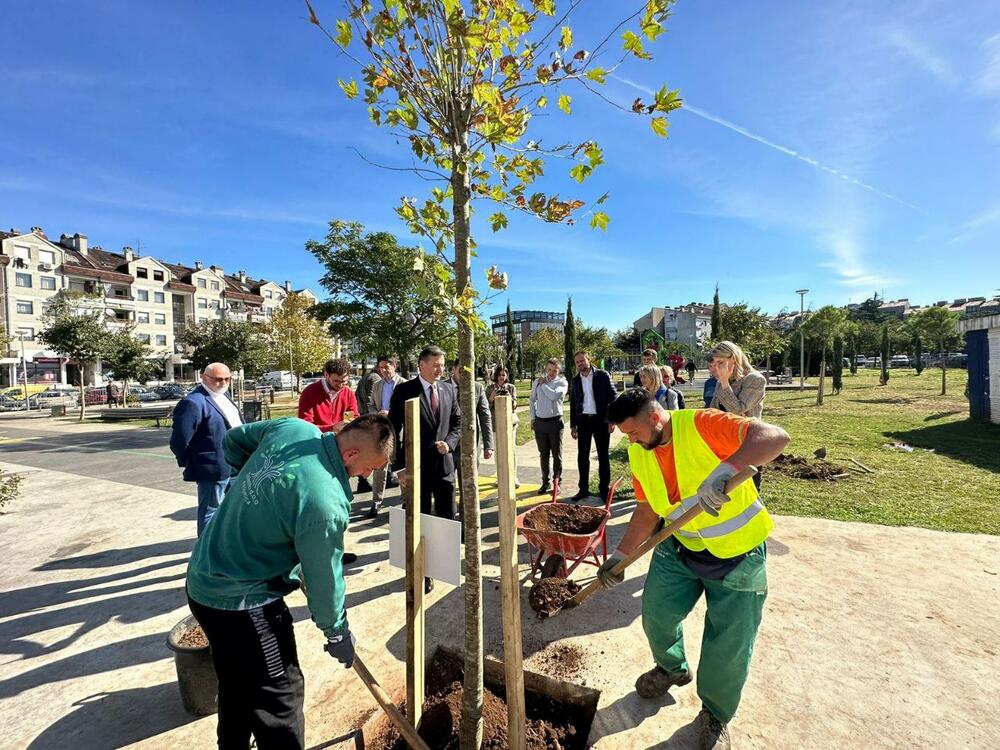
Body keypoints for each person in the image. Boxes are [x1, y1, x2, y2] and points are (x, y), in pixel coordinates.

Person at [186, 414, 394, 750]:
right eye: (369, 468)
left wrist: (259, 495)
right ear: (351, 455)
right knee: (280, 693)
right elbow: (324, 576)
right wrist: (336, 630)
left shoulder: (294, 430)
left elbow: (232, 443)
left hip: (202, 580)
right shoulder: (325, 501)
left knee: (237, 680)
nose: (367, 476)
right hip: (244, 603)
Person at [598, 389, 789, 750]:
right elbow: (646, 510)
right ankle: (671, 668)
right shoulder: (641, 453)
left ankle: (715, 714)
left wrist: (726, 470)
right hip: (679, 545)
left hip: (738, 552)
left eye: (634, 432)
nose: (632, 441)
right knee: (657, 613)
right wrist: (621, 556)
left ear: (655, 418)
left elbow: (775, 436)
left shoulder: (701, 424)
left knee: (728, 642)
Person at [388, 345, 460, 593]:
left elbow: (457, 424)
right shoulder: (405, 391)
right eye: (436, 365)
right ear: (422, 365)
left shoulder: (450, 389)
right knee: (419, 519)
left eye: (442, 365)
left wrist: (449, 444)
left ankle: (445, 565)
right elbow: (392, 430)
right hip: (416, 468)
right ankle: (423, 570)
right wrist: (398, 468)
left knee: (447, 516)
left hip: (444, 467)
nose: (441, 369)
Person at [170, 362, 243, 536]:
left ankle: (224, 545)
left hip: (235, 464)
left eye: (227, 379)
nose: (223, 383)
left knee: (230, 510)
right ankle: (205, 553)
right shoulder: (193, 402)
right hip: (212, 469)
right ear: (204, 378)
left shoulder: (225, 396)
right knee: (211, 511)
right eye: (218, 379)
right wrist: (195, 462)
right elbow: (179, 440)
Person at [569, 350, 617, 501]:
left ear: (588, 359)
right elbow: (573, 403)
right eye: (577, 362)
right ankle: (583, 489)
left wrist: (612, 419)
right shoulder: (575, 380)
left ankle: (604, 490)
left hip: (601, 421)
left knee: (603, 456)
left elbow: (613, 396)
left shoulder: (602, 375)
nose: (580, 364)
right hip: (583, 421)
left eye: (582, 360)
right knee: (582, 457)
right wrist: (573, 425)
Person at [366, 355, 404, 518]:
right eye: (381, 367)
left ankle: (405, 500)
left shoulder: (404, 384)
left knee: (402, 466)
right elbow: (371, 405)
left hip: (400, 430)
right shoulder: (377, 385)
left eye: (387, 367)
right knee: (380, 467)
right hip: (382, 430)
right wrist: (378, 414)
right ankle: (376, 501)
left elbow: (410, 405)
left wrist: (391, 413)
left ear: (394, 366)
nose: (384, 370)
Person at [449, 360, 495, 486]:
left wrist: (488, 445)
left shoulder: (477, 388)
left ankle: (465, 506)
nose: (464, 374)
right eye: (460, 370)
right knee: (447, 486)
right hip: (447, 445)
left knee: (469, 486)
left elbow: (485, 416)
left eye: (467, 371)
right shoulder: (441, 387)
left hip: (471, 444)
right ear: (454, 369)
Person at [529, 358, 568, 496]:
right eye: (549, 369)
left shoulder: (562, 382)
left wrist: (544, 385)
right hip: (540, 423)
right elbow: (532, 400)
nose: (551, 373)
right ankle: (545, 482)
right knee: (543, 455)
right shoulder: (537, 382)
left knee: (557, 455)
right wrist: (532, 418)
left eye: (555, 370)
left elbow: (554, 396)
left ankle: (557, 483)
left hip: (555, 423)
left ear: (559, 370)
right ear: (546, 368)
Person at [708, 341, 767, 419]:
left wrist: (725, 384)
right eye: (715, 364)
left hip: (747, 430)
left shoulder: (755, 379)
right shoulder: (722, 381)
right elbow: (712, 411)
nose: (717, 367)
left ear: (734, 359)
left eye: (720, 362)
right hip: (723, 430)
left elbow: (737, 411)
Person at [298, 357, 359, 433]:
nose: (340, 385)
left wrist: (350, 424)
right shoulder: (310, 392)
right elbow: (305, 426)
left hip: (341, 440)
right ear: (326, 375)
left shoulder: (348, 393)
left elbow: (352, 417)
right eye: (336, 381)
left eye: (344, 382)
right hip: (317, 440)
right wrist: (331, 429)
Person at [485, 366, 519, 487]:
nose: (501, 377)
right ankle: (500, 477)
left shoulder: (511, 388)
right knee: (498, 451)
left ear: (507, 376)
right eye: (499, 375)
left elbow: (515, 405)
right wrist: (491, 398)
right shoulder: (489, 388)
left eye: (504, 375)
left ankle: (514, 477)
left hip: (510, 424)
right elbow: (485, 408)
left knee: (512, 450)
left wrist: (510, 399)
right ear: (496, 376)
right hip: (495, 424)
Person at [354, 365, 382, 493]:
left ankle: (362, 481)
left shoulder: (365, 377)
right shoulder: (375, 378)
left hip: (362, 415)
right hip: (370, 418)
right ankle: (367, 481)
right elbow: (373, 398)